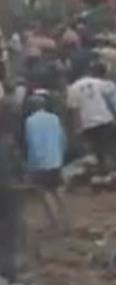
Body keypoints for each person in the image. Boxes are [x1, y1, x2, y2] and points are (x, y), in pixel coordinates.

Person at [67, 63, 116, 179]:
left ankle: (104, 171)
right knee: (109, 146)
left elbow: (74, 110)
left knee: (97, 148)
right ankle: (115, 170)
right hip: (105, 118)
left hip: (88, 123)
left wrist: (77, 128)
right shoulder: (98, 83)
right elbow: (109, 99)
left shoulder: (72, 88)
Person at [24, 94, 68, 231]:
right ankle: (66, 218)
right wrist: (60, 154)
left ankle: (54, 222)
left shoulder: (30, 121)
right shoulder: (54, 118)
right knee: (57, 190)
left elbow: (32, 142)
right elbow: (62, 138)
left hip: (39, 162)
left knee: (44, 192)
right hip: (56, 158)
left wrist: (30, 164)